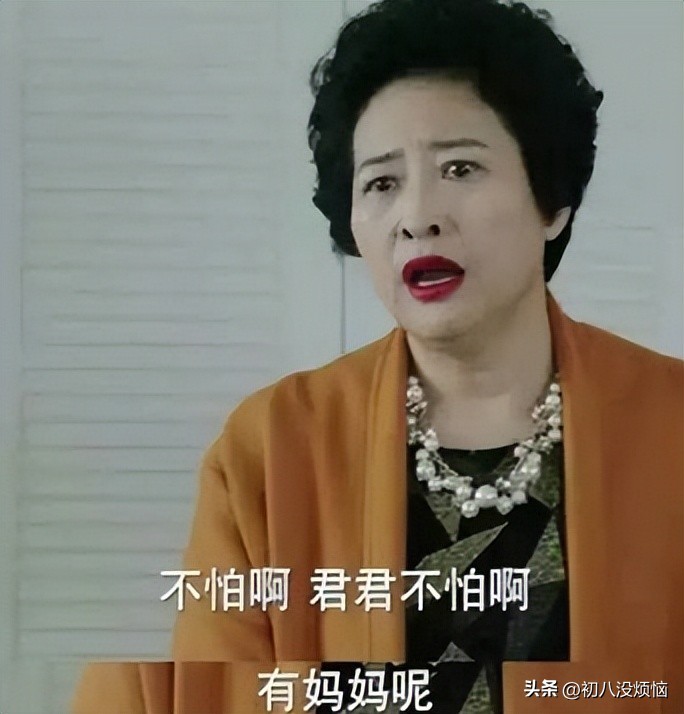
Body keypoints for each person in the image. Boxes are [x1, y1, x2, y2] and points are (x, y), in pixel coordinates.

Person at [73, 0, 683, 712]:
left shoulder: (669, 423)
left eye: (460, 168)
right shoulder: (269, 446)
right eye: (382, 183)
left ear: (551, 202)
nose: (417, 217)